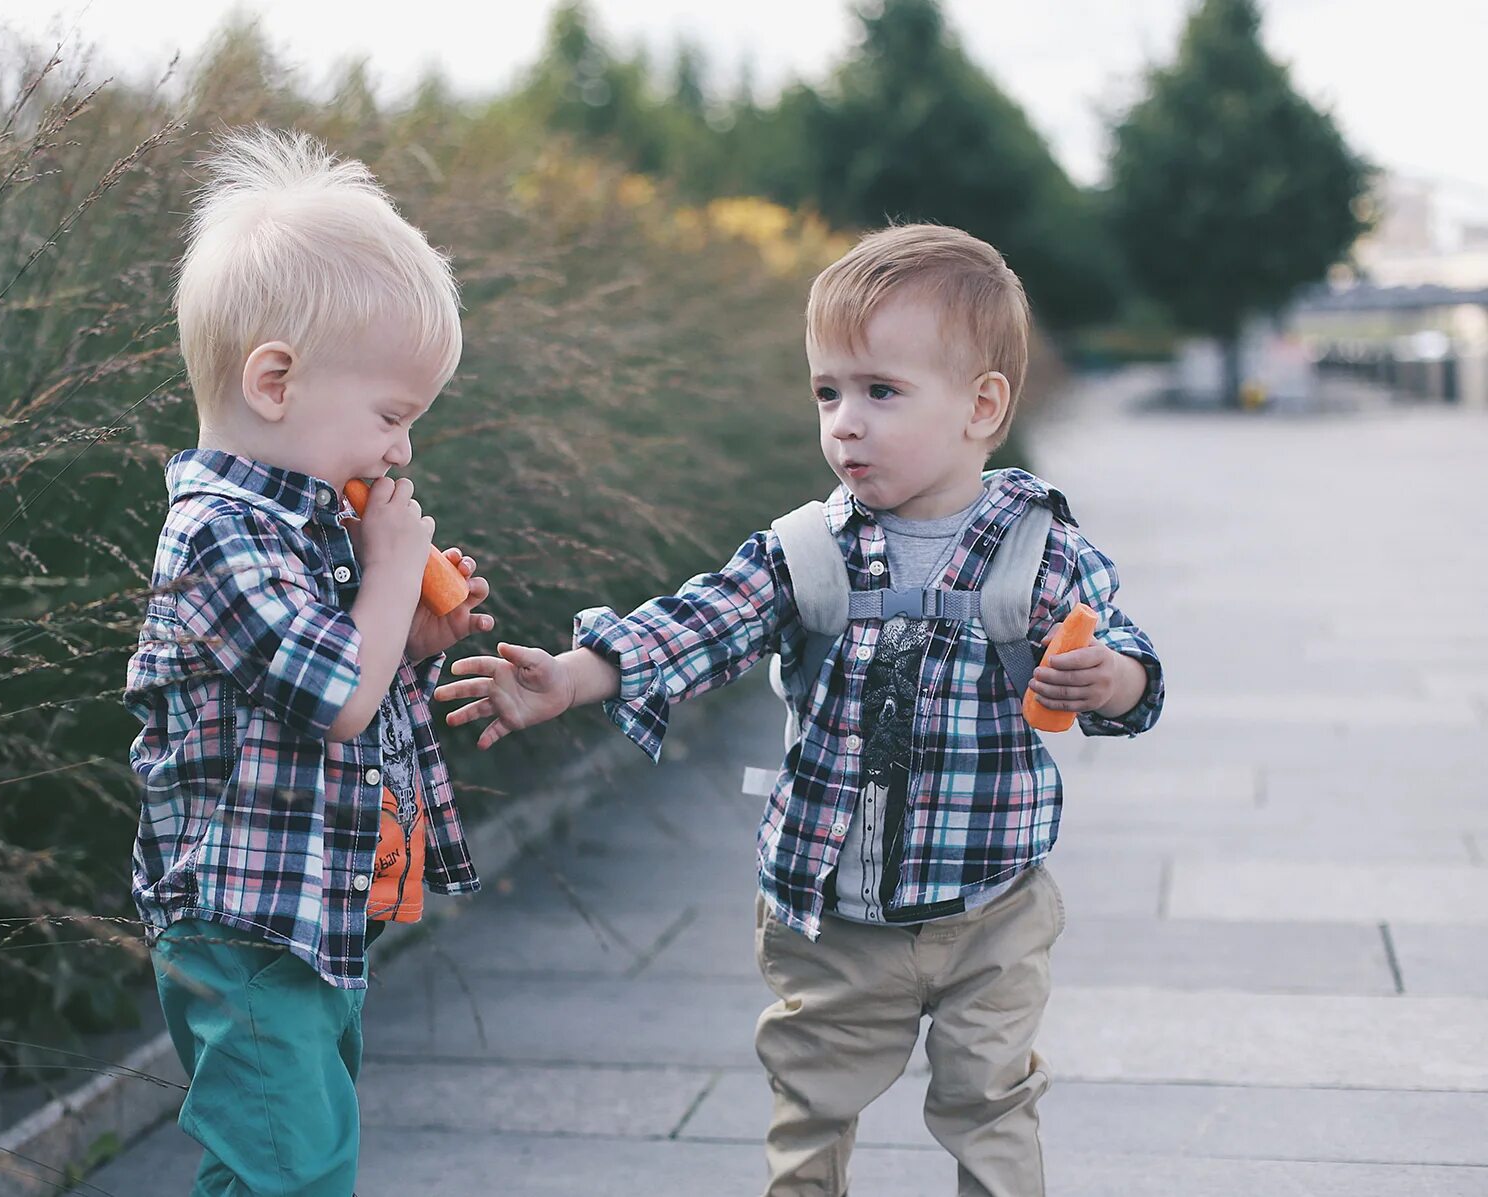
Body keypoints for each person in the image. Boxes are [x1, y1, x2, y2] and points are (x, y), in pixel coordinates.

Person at [437, 224, 1164, 1197]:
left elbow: (1124, 649)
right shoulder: (804, 553)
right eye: (828, 391)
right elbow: (701, 621)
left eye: (881, 391)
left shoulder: (1039, 550)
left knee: (990, 1102)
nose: (844, 423)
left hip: (993, 906)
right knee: (810, 1104)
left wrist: (1112, 679)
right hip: (835, 915)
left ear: (982, 407)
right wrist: (578, 674)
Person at [123, 126, 493, 1197]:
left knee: (304, 1152)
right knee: (288, 1171)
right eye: (391, 416)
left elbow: (353, 685)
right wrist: (388, 574)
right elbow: (333, 696)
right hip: (243, 924)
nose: (402, 451)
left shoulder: (306, 528)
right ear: (276, 382)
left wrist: (412, 637)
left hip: (311, 916)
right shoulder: (215, 534)